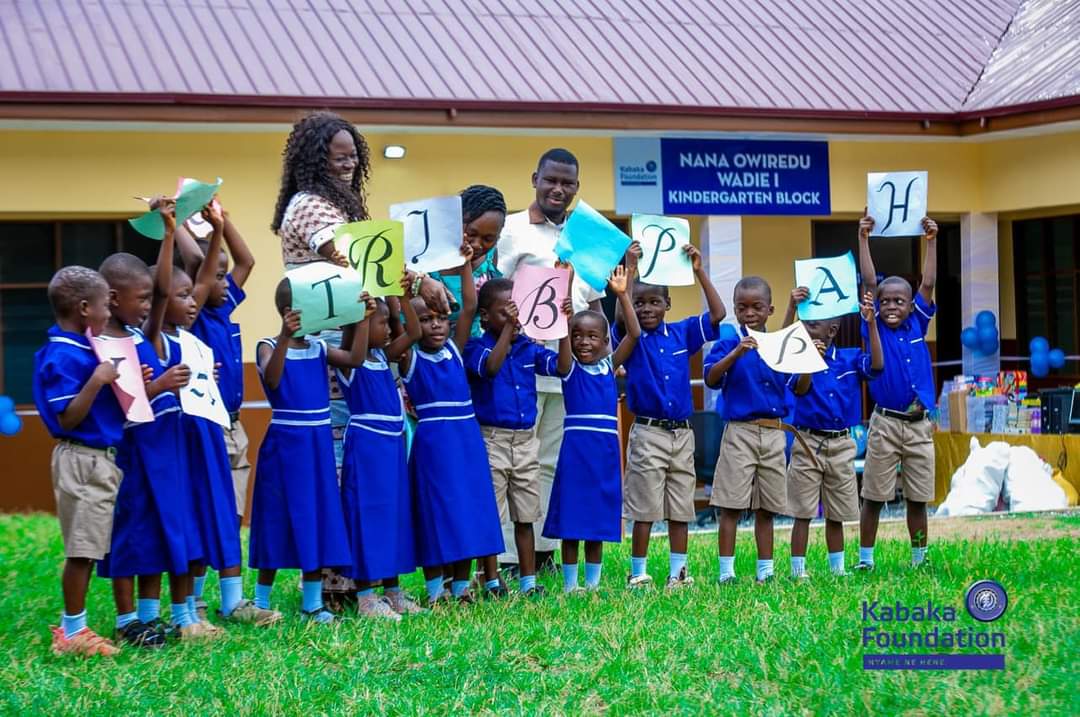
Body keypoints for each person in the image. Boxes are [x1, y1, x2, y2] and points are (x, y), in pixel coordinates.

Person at [272, 110, 451, 608]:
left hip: (365, 339)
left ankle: (378, 579)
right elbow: (354, 257)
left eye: (354, 154)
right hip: (327, 348)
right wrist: (419, 281)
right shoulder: (309, 206)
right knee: (338, 466)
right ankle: (340, 584)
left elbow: (373, 262)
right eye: (338, 155)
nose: (349, 163)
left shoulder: (343, 202)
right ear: (315, 158)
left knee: (372, 470)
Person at [95, 201, 203, 645]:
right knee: (130, 533)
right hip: (133, 451)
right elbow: (116, 405)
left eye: (147, 298)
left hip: (166, 447)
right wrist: (158, 386)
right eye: (138, 299)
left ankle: (149, 616)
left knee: (160, 531)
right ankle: (126, 622)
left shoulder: (144, 333)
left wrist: (167, 233)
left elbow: (160, 291)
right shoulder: (100, 343)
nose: (147, 305)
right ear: (113, 299)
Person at [496, 148, 602, 575]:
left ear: (577, 187)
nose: (559, 189)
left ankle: (541, 553)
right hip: (520, 362)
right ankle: (506, 558)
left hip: (571, 366)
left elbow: (593, 300)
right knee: (512, 459)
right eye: (551, 181)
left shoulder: (588, 235)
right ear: (534, 179)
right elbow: (495, 289)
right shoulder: (511, 229)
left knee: (552, 461)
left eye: (568, 184)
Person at [248, 279, 367, 623]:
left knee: (319, 516)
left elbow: (355, 358)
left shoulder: (318, 348)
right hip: (284, 444)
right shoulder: (268, 344)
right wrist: (285, 336)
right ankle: (260, 599)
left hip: (317, 445)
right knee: (275, 516)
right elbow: (272, 379)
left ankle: (312, 604)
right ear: (291, 312)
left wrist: (359, 318)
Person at [398, 245, 505, 606]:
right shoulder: (410, 357)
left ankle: (460, 590)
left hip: (466, 442)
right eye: (426, 320)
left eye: (440, 318)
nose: (435, 325)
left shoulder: (455, 349)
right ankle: (435, 591)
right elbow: (408, 329)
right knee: (435, 512)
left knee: (468, 511)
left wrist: (462, 265)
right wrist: (402, 294)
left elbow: (470, 306)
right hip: (434, 445)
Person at [617, 244, 726, 590]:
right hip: (648, 433)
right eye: (640, 302)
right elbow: (625, 319)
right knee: (645, 507)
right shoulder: (631, 337)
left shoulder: (682, 332)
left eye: (654, 302)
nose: (646, 308)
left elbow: (718, 314)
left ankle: (678, 573)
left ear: (668, 304)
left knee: (681, 506)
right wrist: (630, 271)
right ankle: (638, 572)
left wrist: (699, 270)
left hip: (682, 434)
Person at [33, 265, 125, 656]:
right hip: (81, 459)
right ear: (85, 308)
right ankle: (73, 633)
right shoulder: (61, 356)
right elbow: (67, 417)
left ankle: (76, 628)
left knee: (90, 545)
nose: (110, 311)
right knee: (82, 549)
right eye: (106, 304)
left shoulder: (89, 349)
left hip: (101, 459)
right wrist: (98, 380)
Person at [464, 275, 571, 597]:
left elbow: (562, 368)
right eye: (504, 312)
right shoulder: (476, 347)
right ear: (485, 316)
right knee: (493, 514)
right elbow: (491, 369)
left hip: (525, 440)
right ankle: (492, 579)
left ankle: (529, 581)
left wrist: (563, 329)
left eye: (517, 311)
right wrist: (510, 330)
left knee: (526, 513)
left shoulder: (529, 349)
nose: (514, 318)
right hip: (491, 439)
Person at [704, 277, 812, 584]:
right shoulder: (728, 343)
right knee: (731, 505)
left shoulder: (779, 344)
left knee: (768, 506)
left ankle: (765, 571)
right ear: (735, 311)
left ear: (769, 310)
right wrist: (736, 353)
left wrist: (807, 362)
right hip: (740, 432)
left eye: (757, 307)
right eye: (742, 307)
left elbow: (801, 388)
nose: (749, 313)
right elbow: (711, 378)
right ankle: (726, 572)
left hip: (775, 433)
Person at [543, 265, 640, 592]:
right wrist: (565, 287)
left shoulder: (608, 367)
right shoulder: (569, 368)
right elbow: (562, 336)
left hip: (604, 455)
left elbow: (634, 335)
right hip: (576, 454)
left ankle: (593, 585)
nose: (584, 342)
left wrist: (623, 294)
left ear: (605, 342)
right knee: (572, 521)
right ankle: (571, 586)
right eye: (577, 336)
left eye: (592, 337)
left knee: (596, 522)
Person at [855, 213, 940, 571]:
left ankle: (919, 560)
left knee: (917, 498)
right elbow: (870, 281)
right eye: (886, 301)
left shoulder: (918, 323)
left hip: (919, 423)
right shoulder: (871, 324)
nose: (892, 306)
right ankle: (865, 560)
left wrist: (932, 241)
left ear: (911, 305)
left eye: (899, 301)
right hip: (886, 424)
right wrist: (863, 238)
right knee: (873, 496)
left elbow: (929, 281)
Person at [336, 286, 426, 620]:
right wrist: (360, 314)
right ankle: (366, 597)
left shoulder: (382, 356)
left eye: (389, 323)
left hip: (391, 445)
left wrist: (398, 296)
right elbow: (355, 354)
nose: (388, 330)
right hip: (367, 448)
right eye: (382, 324)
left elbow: (414, 332)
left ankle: (393, 590)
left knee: (394, 516)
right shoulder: (351, 359)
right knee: (366, 516)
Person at [781, 290, 883, 578]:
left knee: (836, 512)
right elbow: (799, 389)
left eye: (813, 325)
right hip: (807, 442)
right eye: (805, 323)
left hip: (841, 443)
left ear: (833, 330)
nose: (807, 328)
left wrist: (871, 324)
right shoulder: (799, 359)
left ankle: (837, 569)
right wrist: (810, 363)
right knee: (803, 510)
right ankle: (797, 571)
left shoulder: (849, 359)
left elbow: (877, 366)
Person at [179, 205, 256, 524]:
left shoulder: (224, 308)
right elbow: (200, 266)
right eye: (219, 277)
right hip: (208, 422)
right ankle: (203, 574)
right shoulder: (192, 316)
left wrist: (223, 221)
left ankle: (230, 575)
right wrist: (177, 225)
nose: (226, 284)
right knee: (210, 510)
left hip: (234, 423)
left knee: (235, 509)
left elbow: (247, 261)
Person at [430, 184, 506, 339]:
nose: (477, 244)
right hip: (432, 354)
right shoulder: (430, 257)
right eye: (471, 234)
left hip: (474, 351)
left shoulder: (491, 255)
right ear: (457, 222)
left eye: (488, 239)